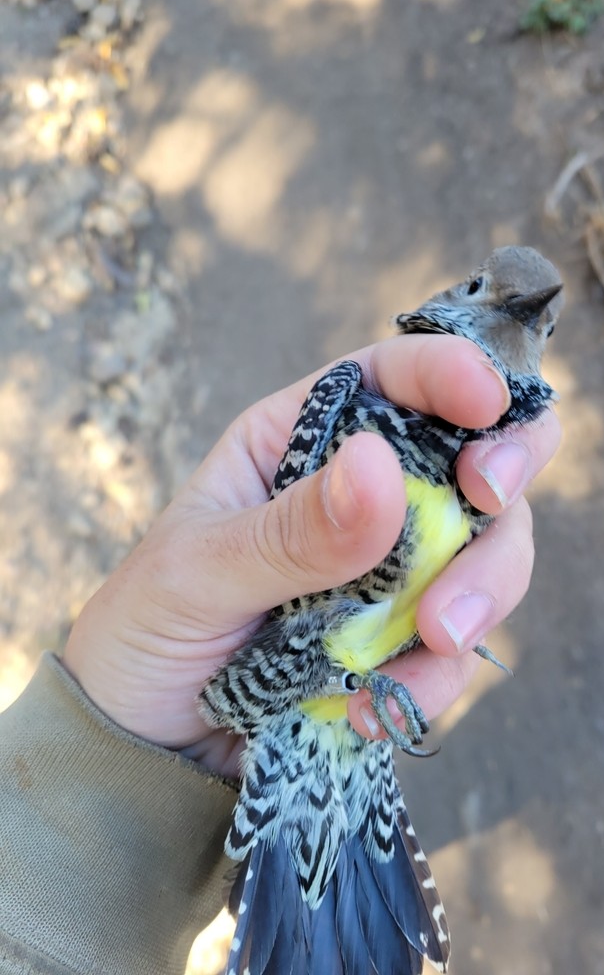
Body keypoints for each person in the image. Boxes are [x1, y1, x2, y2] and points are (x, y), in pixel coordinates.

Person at [0, 331, 560, 975]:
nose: (512, 320)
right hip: (301, 680)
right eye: (483, 289)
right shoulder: (364, 400)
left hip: (318, 695)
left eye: (540, 330)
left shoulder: (480, 451)